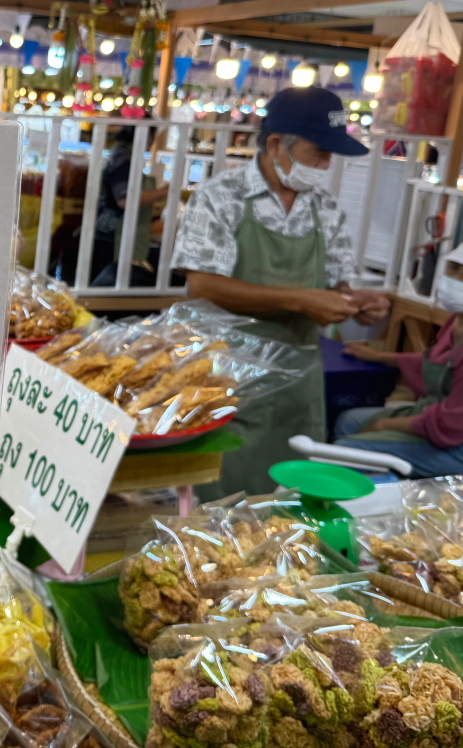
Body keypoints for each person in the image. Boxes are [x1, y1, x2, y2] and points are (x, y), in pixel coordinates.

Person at [170, 86, 390, 498]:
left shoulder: (325, 208)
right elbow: (203, 285)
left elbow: (337, 282)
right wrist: (300, 299)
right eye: (317, 153)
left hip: (297, 379)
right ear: (275, 145)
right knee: (221, 496)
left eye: (329, 156)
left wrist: (354, 302)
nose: (325, 165)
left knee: (289, 497)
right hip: (228, 369)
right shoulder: (220, 197)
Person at [339, 235, 463, 477]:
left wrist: (385, 424)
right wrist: (380, 356)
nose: (458, 280)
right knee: (348, 420)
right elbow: (439, 364)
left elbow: (454, 425)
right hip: (457, 422)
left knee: (348, 451)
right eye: (454, 268)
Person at [91, 127, 169, 286]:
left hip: (111, 233)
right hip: (114, 236)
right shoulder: (123, 158)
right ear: (148, 136)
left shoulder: (124, 154)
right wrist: (162, 192)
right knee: (106, 289)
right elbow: (126, 200)